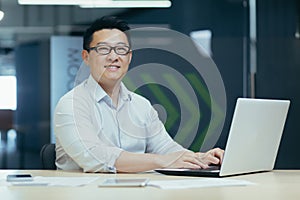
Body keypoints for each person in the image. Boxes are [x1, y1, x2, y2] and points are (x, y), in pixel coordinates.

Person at [54, 16, 224, 173]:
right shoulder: (72, 104)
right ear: (86, 57)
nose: (114, 57)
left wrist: (200, 158)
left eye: (121, 50)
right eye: (104, 49)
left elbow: (166, 148)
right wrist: (161, 161)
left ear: (129, 57)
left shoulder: (141, 105)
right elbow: (95, 157)